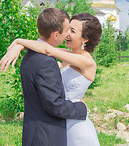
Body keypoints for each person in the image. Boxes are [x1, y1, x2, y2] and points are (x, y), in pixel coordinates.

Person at [1, 10, 102, 146]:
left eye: (72, 31)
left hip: (75, 123)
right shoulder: (66, 54)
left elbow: (48, 50)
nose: (67, 34)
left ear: (85, 39)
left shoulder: (87, 62)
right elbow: (42, 46)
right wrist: (19, 46)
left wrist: (18, 41)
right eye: (67, 29)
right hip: (57, 122)